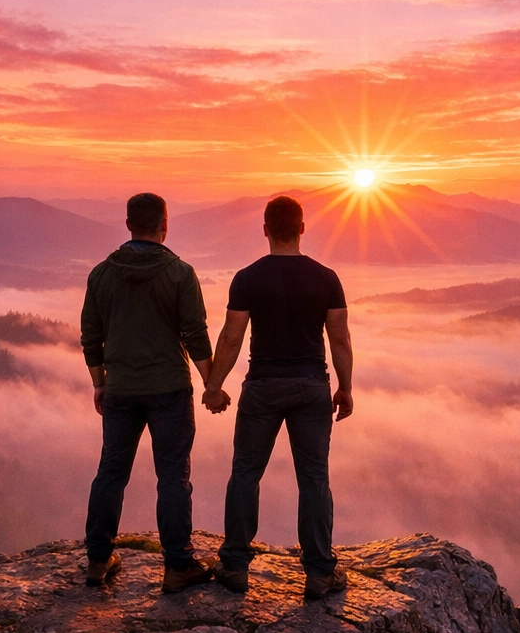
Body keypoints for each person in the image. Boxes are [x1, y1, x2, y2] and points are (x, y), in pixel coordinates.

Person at [202, 195, 354, 599]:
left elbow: (232, 338)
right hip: (311, 387)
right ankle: (320, 573)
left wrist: (214, 386)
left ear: (266, 230)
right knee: (315, 479)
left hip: (263, 387)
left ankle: (234, 566)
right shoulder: (326, 278)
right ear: (302, 229)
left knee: (245, 475)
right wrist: (345, 387)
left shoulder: (248, 278)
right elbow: (339, 339)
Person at [80, 192, 214, 593]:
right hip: (169, 389)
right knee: (173, 477)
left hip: (120, 389)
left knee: (111, 472)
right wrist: (212, 384)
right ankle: (177, 566)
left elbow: (91, 336)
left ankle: (98, 560)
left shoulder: (102, 273)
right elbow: (194, 333)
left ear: (127, 225)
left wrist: (100, 383)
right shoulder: (179, 273)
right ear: (165, 224)